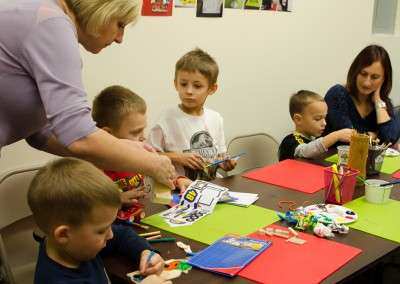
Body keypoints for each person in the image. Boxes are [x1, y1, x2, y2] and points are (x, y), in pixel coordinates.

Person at [0, 0, 175, 188]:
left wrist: (122, 148)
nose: (120, 38)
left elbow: (41, 132)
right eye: (120, 24)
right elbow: (79, 135)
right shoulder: (51, 23)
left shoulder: (43, 13)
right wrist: (153, 164)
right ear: (102, 10)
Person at [27, 157, 170, 284]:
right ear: (63, 234)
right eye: (102, 230)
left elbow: (122, 235)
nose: (110, 235)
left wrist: (144, 251)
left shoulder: (74, 245)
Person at [92, 85, 192, 221]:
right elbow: (86, 206)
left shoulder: (141, 155)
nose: (143, 137)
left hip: (148, 220)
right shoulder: (92, 171)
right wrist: (116, 200)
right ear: (107, 134)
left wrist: (178, 180)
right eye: (135, 132)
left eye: (143, 130)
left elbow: (157, 176)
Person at [148, 48, 236, 181]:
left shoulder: (215, 118)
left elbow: (219, 157)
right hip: (179, 190)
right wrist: (178, 157)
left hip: (211, 185)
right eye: (183, 84)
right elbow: (148, 157)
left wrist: (224, 164)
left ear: (212, 89)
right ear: (175, 84)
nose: (189, 91)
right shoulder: (166, 119)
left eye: (197, 86)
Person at [324, 45, 400, 144]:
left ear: (384, 79)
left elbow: (389, 140)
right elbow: (349, 139)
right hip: (329, 158)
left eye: (375, 77)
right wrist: (373, 136)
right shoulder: (338, 94)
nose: (366, 83)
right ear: (355, 72)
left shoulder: (383, 103)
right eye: (363, 74)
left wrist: (378, 100)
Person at [279, 90, 353, 161]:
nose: (324, 123)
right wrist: (336, 136)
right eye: (318, 119)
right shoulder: (290, 141)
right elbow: (307, 151)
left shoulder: (312, 138)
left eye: (325, 118)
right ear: (298, 119)